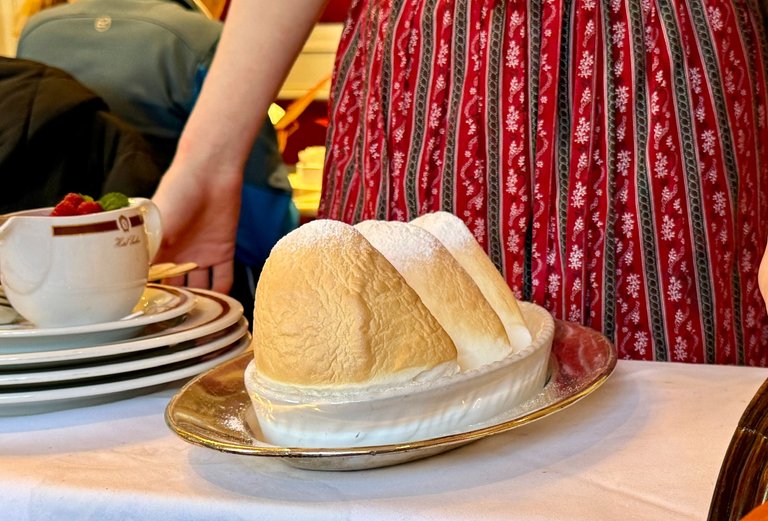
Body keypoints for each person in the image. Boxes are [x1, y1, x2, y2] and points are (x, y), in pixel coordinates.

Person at [152, 0, 768, 365]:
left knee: (673, 445)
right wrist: (208, 163)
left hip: (656, 73)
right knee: (396, 397)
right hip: (429, 79)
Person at [15, 0, 298, 318]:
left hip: (56, 274)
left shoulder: (35, 33)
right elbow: (265, 223)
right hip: (180, 271)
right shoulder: (204, 40)